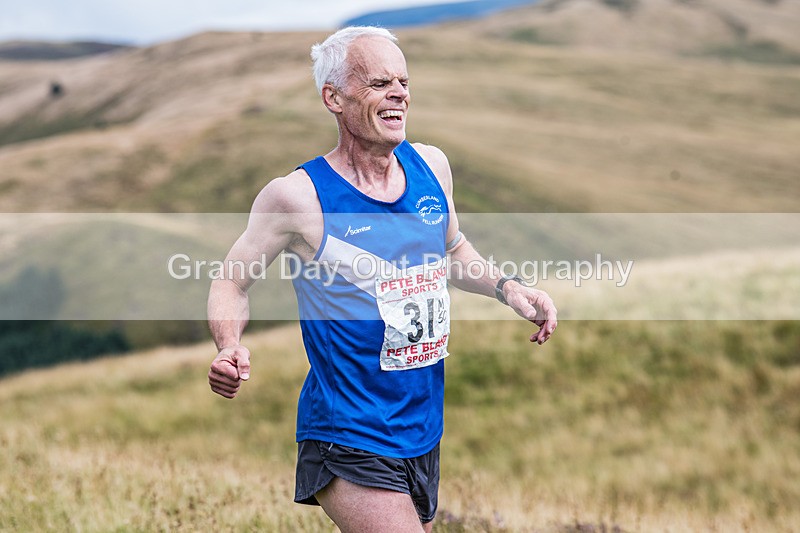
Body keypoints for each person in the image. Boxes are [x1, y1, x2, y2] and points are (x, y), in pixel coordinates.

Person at [207, 26, 557, 532]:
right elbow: (230, 282)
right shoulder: (297, 198)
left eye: (404, 81)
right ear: (334, 98)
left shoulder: (432, 168)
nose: (399, 94)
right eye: (378, 83)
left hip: (421, 429)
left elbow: (454, 250)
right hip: (347, 433)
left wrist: (510, 290)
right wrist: (228, 345)